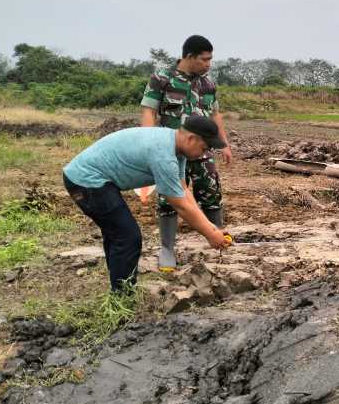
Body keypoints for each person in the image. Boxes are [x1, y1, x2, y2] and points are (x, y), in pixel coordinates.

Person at [63, 116, 230, 292]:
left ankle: (119, 289)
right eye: (204, 148)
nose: (204, 154)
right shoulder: (163, 155)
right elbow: (179, 204)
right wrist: (209, 236)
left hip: (95, 181)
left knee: (118, 233)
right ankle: (122, 297)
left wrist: (211, 227)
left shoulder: (175, 148)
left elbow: (183, 190)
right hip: (86, 181)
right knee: (127, 236)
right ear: (191, 138)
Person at [140, 35, 232, 271]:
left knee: (211, 191)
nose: (208, 64)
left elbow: (215, 115)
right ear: (189, 56)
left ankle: (218, 238)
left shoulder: (208, 84)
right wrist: (147, 143)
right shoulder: (162, 78)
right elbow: (149, 112)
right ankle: (167, 249)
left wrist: (223, 144)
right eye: (204, 59)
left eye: (210, 59)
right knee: (169, 198)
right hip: (169, 150)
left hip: (201, 149)